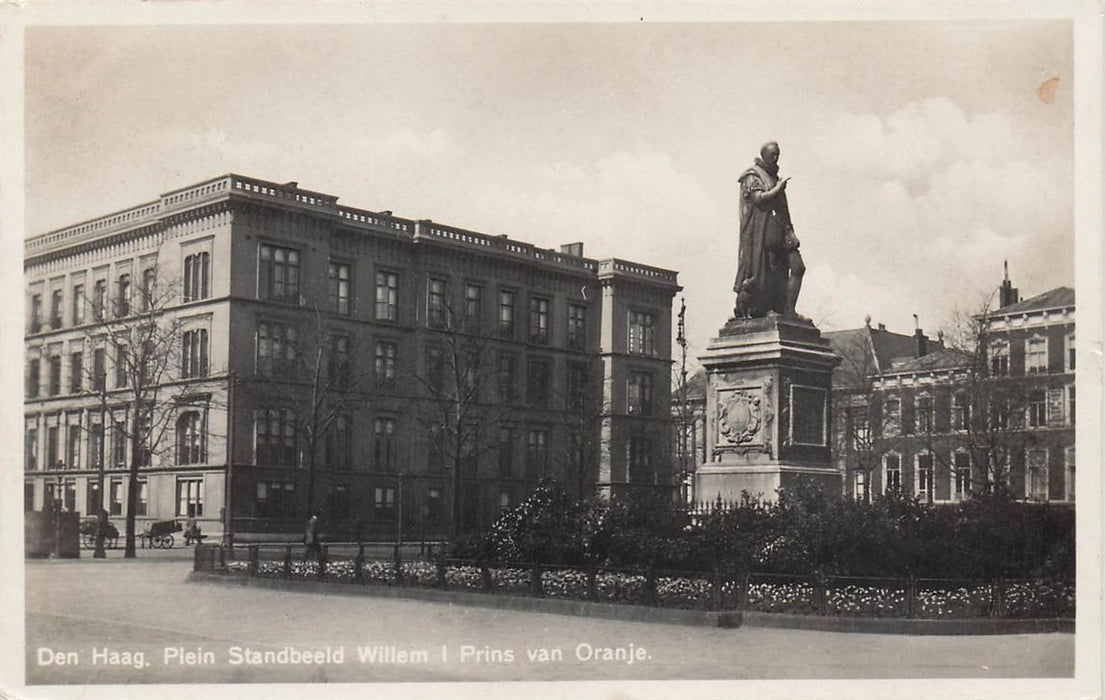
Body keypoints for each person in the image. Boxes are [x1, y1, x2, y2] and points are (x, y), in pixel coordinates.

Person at [733, 141, 806, 318]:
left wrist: (790, 230)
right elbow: (758, 199)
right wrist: (778, 189)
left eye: (778, 154)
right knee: (771, 270)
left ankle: (789, 310)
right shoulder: (752, 175)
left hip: (782, 230)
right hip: (763, 233)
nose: (776, 157)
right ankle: (767, 308)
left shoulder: (774, 177)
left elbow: (783, 209)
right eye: (772, 154)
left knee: (798, 267)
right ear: (763, 155)